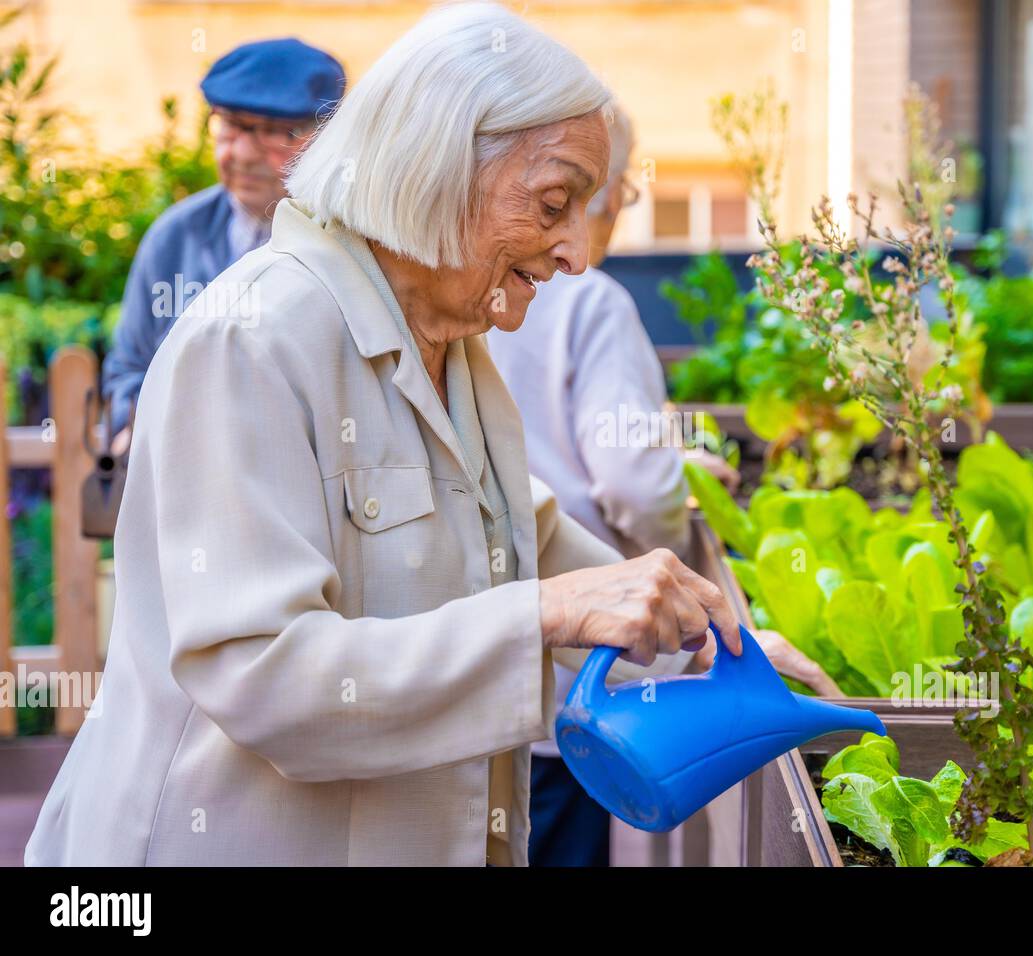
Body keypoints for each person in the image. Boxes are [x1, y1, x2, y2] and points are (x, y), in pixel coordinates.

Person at [25, 2, 739, 868]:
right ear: (436, 168)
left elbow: (524, 541)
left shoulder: (450, 338)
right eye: (555, 202)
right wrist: (550, 613)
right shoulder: (254, 339)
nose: (576, 253)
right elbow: (266, 675)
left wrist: (716, 646)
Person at [487, 103, 840, 866]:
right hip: (573, 660)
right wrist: (682, 571)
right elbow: (632, 485)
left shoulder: (480, 298)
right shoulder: (593, 301)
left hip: (503, 661)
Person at [101, 37, 346, 453]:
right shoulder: (174, 237)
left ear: (324, 136)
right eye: (231, 126)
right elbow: (128, 369)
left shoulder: (349, 240)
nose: (244, 153)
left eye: (272, 131)